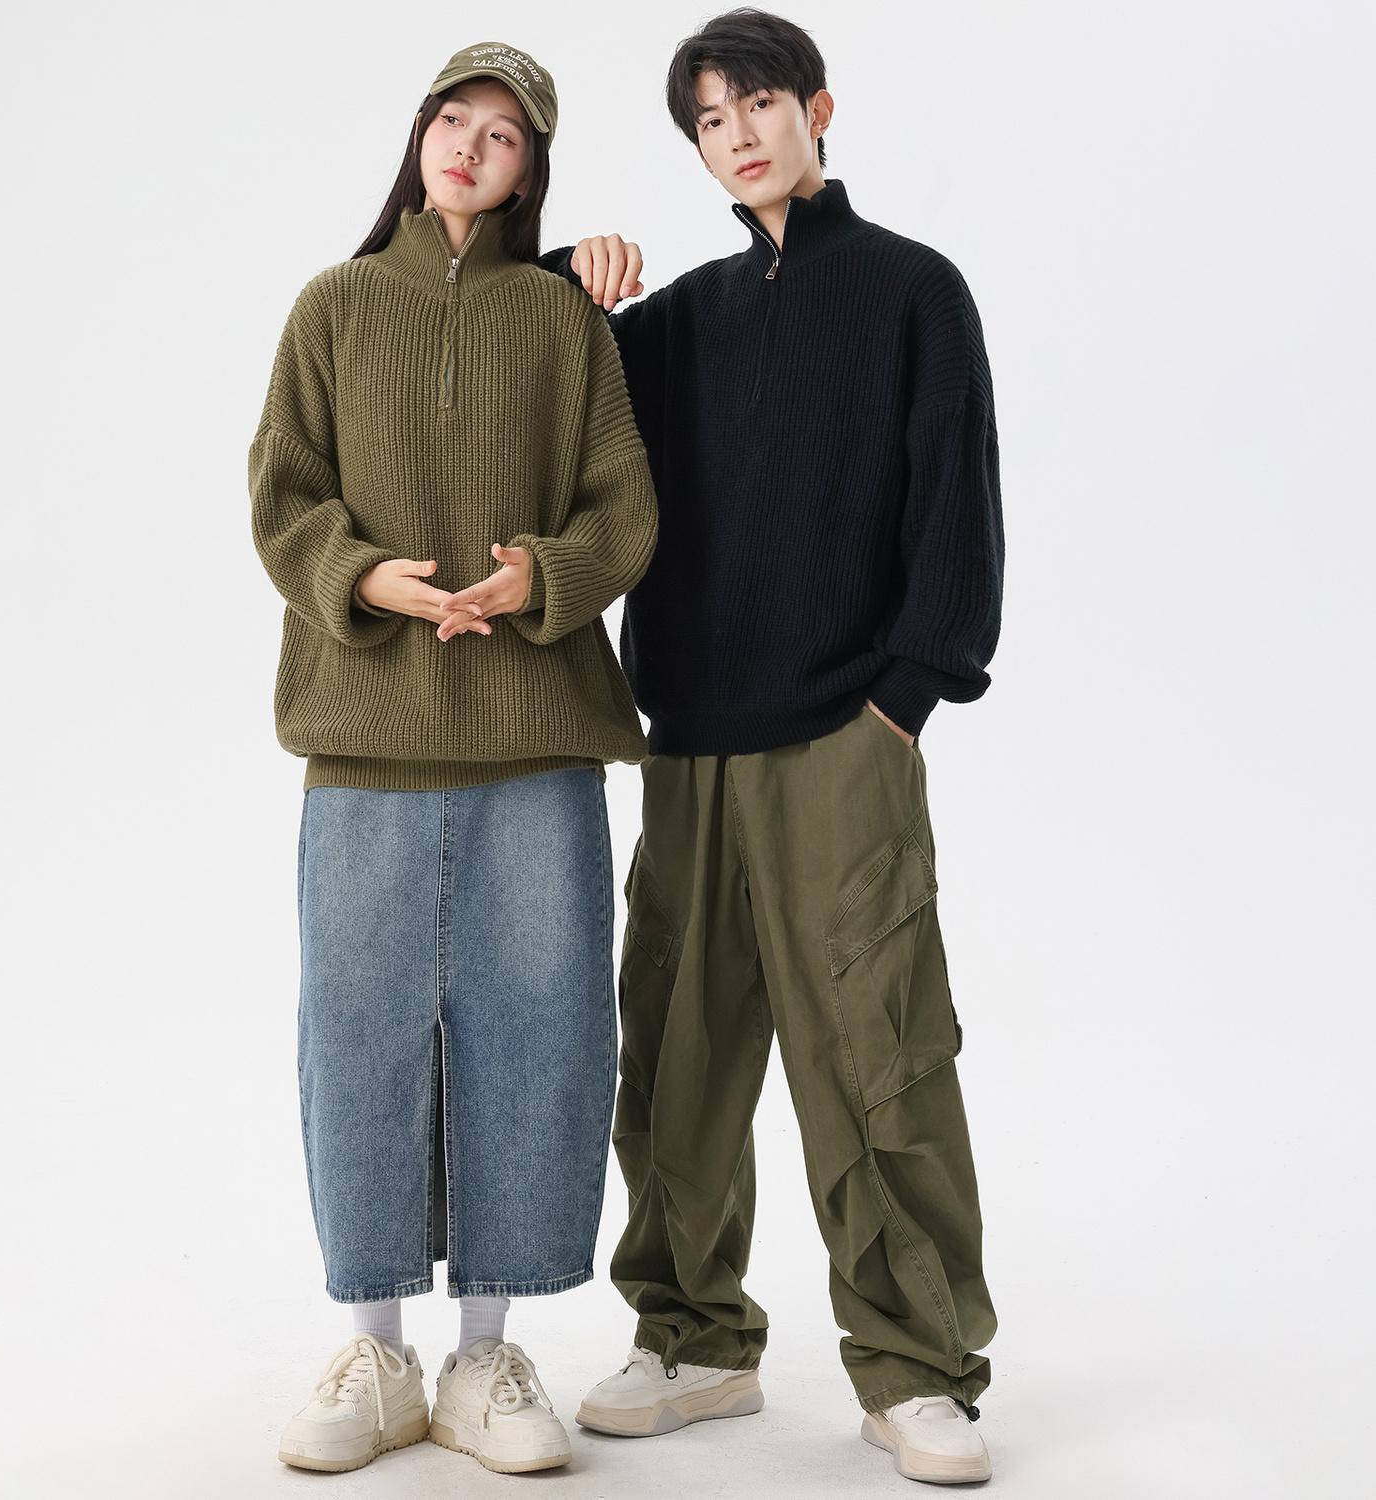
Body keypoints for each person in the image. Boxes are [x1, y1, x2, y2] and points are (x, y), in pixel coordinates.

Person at [539, 9, 1004, 1486]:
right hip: (688, 741)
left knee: (878, 1057)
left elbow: (957, 503)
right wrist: (569, 269)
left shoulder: (914, 290)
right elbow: (525, 349)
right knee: (675, 1053)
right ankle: (693, 1340)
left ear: (817, 109)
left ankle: (917, 1368)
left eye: (756, 104)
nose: (736, 135)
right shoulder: (683, 319)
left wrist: (904, 698)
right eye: (708, 120)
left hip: (843, 734)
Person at [247, 41, 657, 1477]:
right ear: (419, 137)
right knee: (357, 1030)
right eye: (452, 120)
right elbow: (283, 492)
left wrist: (539, 576)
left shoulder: (563, 321)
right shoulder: (334, 304)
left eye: (503, 133)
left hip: (534, 739)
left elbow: (623, 507)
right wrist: (364, 579)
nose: (471, 145)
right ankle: (377, 1350)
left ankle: (487, 1354)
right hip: (362, 738)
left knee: (536, 1026)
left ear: (532, 167)